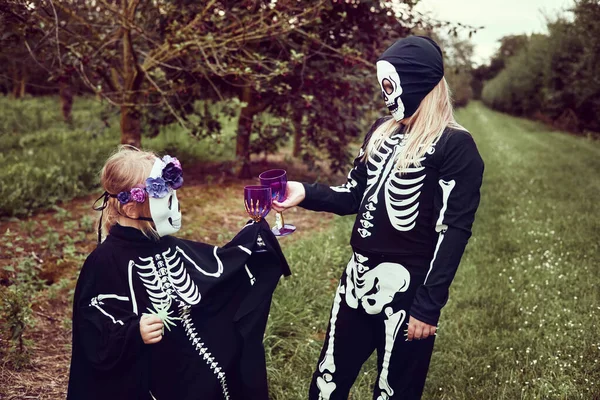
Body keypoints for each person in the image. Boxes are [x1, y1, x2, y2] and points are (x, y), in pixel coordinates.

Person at [273, 36, 484, 399]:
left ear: (415, 83)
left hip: (408, 290)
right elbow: (354, 194)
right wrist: (305, 192)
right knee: (327, 383)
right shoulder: (381, 130)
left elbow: (453, 232)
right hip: (356, 279)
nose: (385, 96)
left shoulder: (455, 146)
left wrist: (428, 307)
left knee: (393, 390)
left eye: (390, 85)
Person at [67, 147, 290, 400]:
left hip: (186, 369)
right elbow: (93, 329)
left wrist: (253, 238)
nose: (175, 205)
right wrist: (133, 332)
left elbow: (219, 269)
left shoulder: (165, 244)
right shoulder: (104, 262)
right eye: (165, 199)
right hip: (143, 378)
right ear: (131, 209)